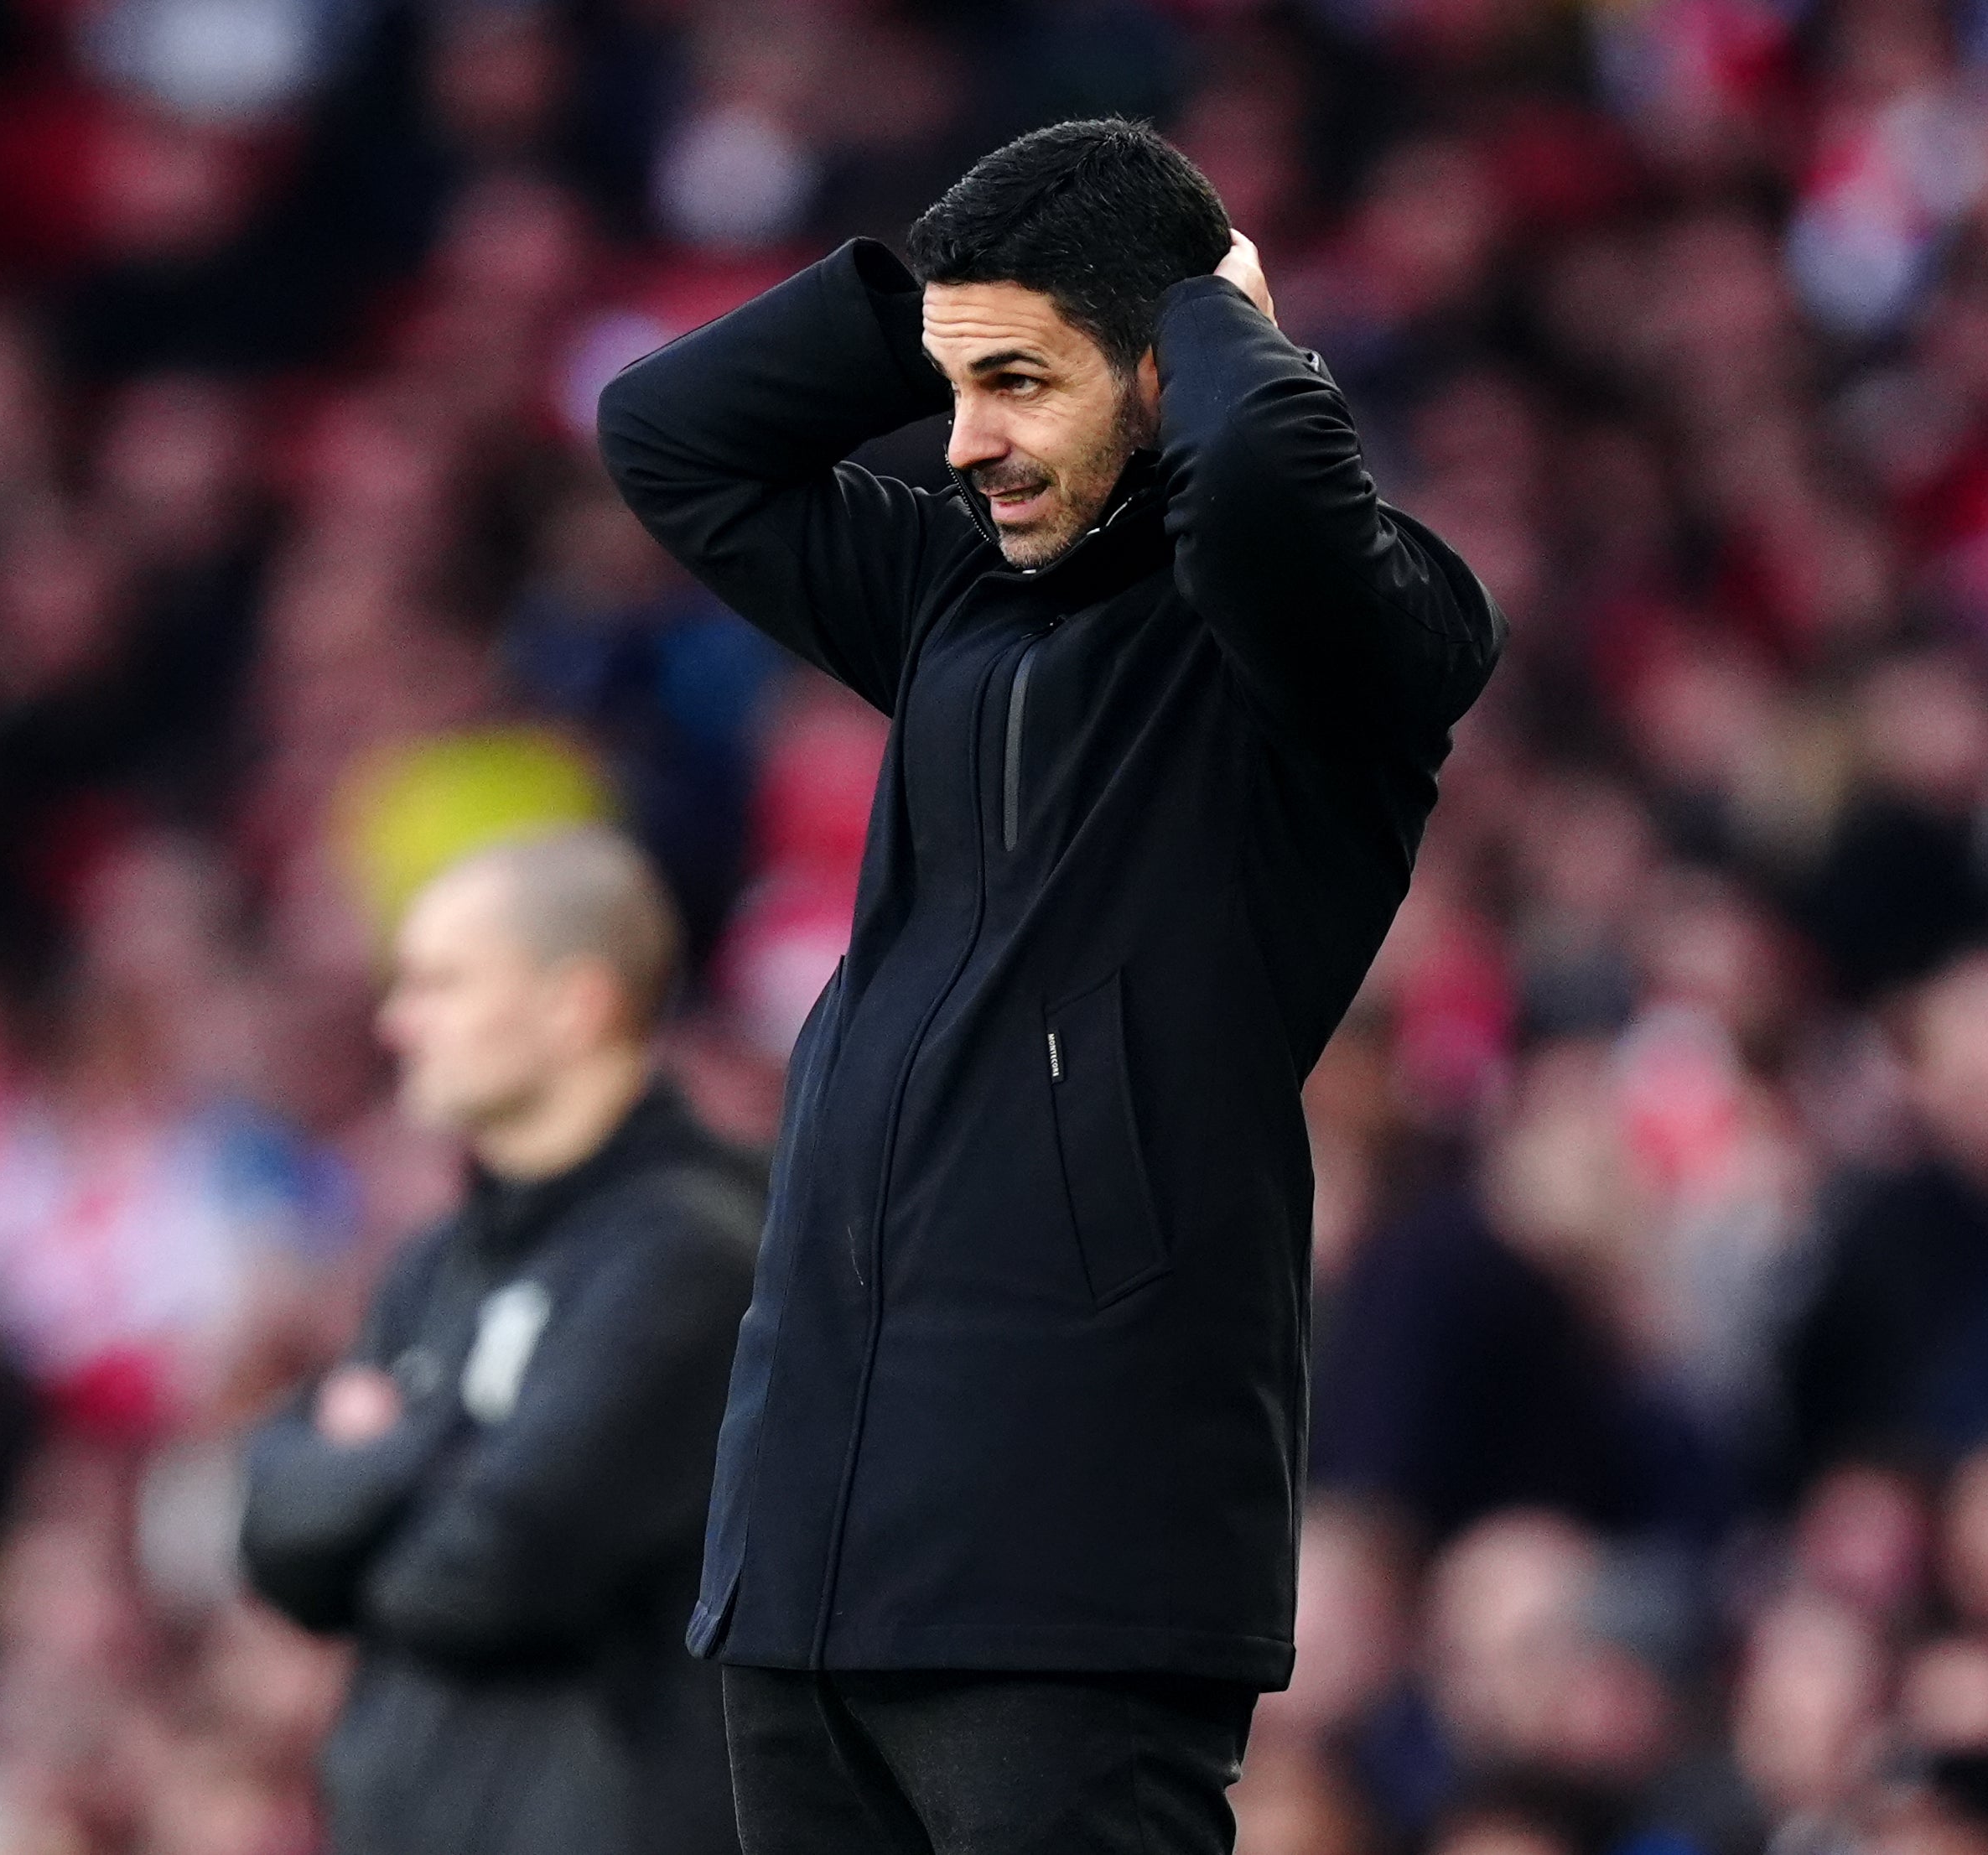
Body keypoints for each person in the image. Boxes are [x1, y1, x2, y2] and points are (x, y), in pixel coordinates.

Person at [597, 117, 1506, 1853]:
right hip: (808, 1555)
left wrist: (1226, 310)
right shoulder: (955, 583)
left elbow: (1256, 490)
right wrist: (930, 307)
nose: (965, 445)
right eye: (953, 387)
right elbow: (670, 439)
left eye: (1018, 380)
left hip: (1069, 1560)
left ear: (1165, 362)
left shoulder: (1347, 630)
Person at [236, 827, 762, 1855]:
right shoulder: (437, 1260)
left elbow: (489, 1573)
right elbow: (273, 1535)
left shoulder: (690, 1255)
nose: (396, 1023)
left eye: (441, 985)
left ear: (576, 1003)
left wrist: (371, 1469)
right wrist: (454, 1446)